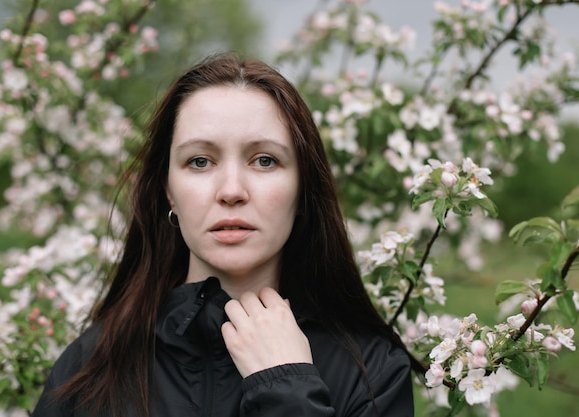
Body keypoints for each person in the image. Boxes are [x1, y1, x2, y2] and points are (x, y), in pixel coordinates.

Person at [31, 53, 422, 417]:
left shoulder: (371, 372)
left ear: (303, 188)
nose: (231, 190)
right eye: (199, 161)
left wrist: (288, 388)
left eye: (264, 160)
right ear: (168, 189)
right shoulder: (89, 368)